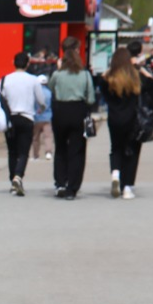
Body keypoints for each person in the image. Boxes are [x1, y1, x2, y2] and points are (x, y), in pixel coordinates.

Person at [96, 46, 153, 199]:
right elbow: (152, 84)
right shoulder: (135, 78)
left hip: (114, 119)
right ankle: (127, 187)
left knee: (115, 148)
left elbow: (100, 82)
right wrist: (140, 68)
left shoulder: (110, 80)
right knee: (132, 151)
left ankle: (115, 175)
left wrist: (111, 69)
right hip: (132, 119)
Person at [49, 40, 97, 198]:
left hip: (60, 111)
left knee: (60, 148)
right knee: (77, 150)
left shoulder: (57, 74)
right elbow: (90, 99)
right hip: (78, 111)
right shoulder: (84, 75)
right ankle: (72, 187)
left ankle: (60, 183)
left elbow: (51, 90)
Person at [0, 50, 48, 196]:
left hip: (10, 118)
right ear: (28, 64)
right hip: (27, 118)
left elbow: (1, 98)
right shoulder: (33, 80)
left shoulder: (4, 79)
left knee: (12, 151)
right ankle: (18, 177)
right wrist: (42, 108)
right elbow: (41, 100)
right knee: (23, 152)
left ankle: (12, 180)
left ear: (13, 63)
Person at [28, 49, 55, 160]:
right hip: (48, 118)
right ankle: (48, 152)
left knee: (35, 137)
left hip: (36, 118)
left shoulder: (35, 92)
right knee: (48, 136)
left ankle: (35, 155)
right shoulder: (49, 92)